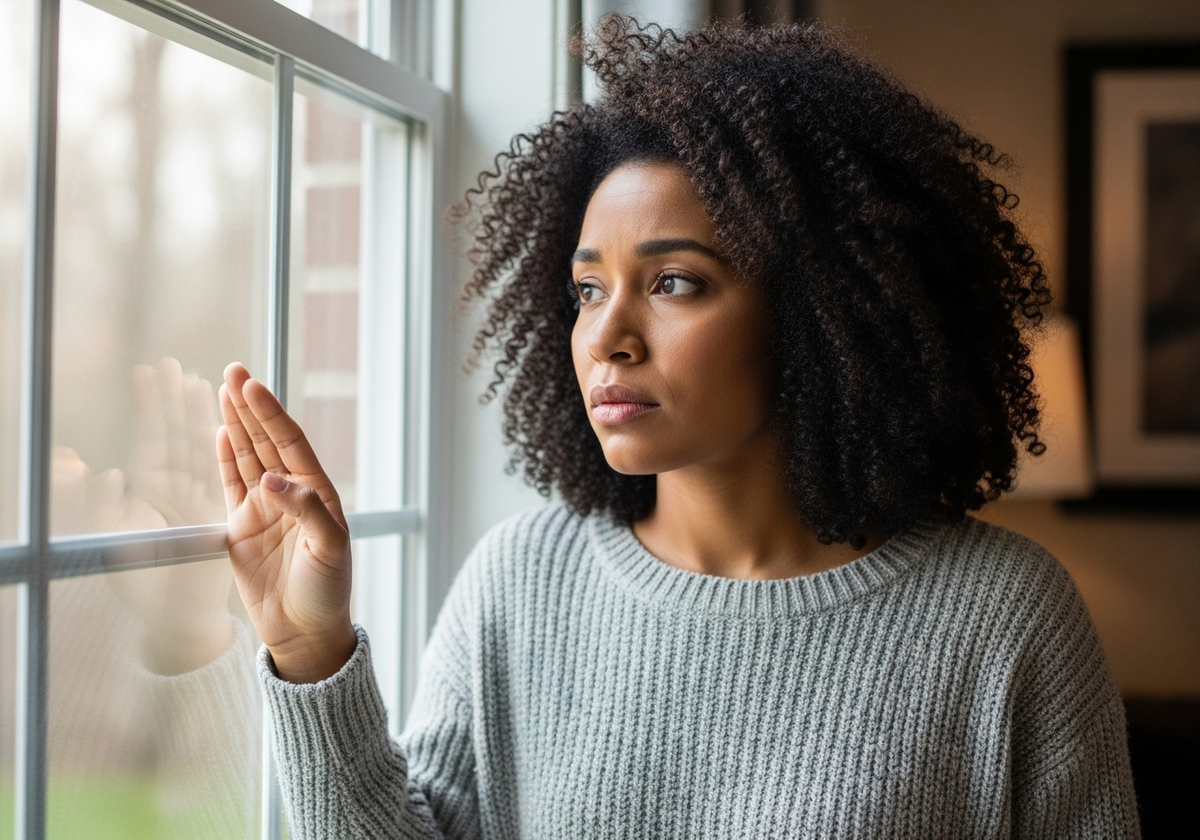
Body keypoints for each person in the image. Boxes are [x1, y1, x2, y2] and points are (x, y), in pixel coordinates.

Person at [217, 17, 1140, 838]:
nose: (607, 337)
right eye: (587, 290)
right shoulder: (519, 585)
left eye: (674, 283)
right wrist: (309, 652)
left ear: (818, 313)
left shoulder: (1008, 618)